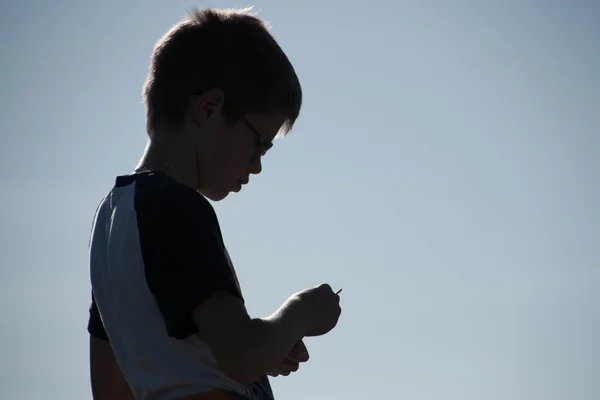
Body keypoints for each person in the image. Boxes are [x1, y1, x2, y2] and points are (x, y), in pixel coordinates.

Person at [86, 7, 342, 400]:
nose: (257, 165)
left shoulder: (110, 220)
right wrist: (301, 312)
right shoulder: (179, 207)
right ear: (209, 109)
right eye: (259, 143)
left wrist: (266, 349)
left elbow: (112, 386)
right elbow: (241, 354)